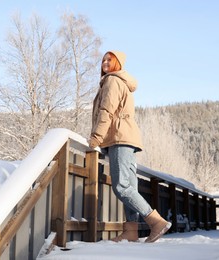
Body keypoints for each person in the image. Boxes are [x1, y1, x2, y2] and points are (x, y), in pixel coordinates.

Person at [88, 50, 172, 243]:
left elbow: (106, 111)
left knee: (122, 186)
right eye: (103, 60)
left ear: (118, 63)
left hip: (120, 138)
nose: (105, 62)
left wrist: (96, 138)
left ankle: (156, 222)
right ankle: (131, 231)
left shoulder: (113, 81)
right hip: (126, 138)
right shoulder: (120, 82)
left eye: (110, 59)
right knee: (130, 186)